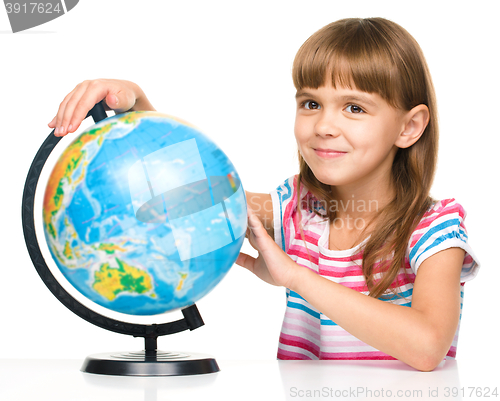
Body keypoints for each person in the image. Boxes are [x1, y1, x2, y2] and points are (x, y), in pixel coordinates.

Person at [48, 17, 480, 371]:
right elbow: (189, 191)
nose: (324, 125)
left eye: (354, 108)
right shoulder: (296, 208)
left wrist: (295, 277)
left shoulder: (435, 227)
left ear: (409, 127)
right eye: (311, 103)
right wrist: (139, 103)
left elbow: (427, 347)